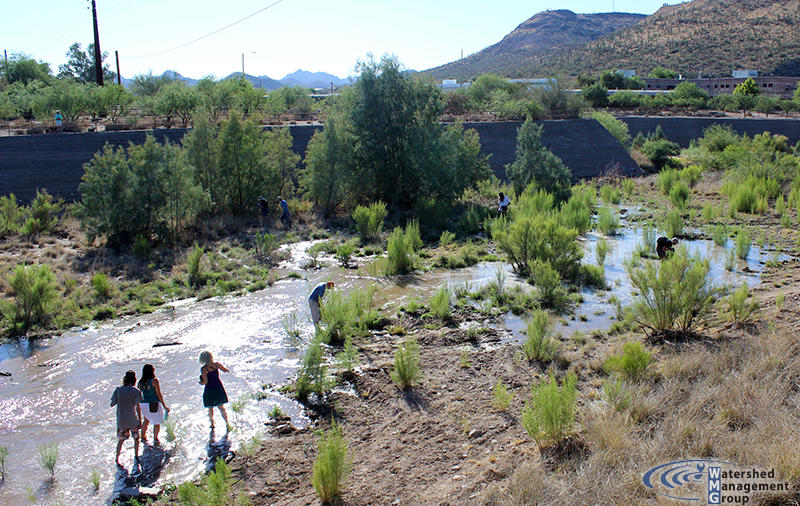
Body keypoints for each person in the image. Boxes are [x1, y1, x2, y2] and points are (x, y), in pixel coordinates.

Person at [111, 370, 143, 467]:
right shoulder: (136, 391)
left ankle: (117, 458)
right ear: (134, 379)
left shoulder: (118, 390)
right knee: (136, 439)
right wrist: (140, 421)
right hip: (133, 420)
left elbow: (112, 404)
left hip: (122, 421)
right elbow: (138, 408)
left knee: (121, 440)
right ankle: (136, 456)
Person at [138, 364, 170, 445]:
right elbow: (158, 394)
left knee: (146, 420)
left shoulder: (140, 382)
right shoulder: (154, 381)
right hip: (153, 403)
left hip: (144, 404)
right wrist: (164, 406)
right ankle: (155, 438)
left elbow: (138, 394)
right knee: (156, 422)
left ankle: (143, 437)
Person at [199, 351, 230, 431]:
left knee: (210, 408)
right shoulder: (217, 365)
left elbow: (205, 382)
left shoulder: (204, 369)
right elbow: (226, 370)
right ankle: (227, 423)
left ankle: (212, 424)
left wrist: (201, 382)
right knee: (221, 407)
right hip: (218, 387)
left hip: (210, 389)